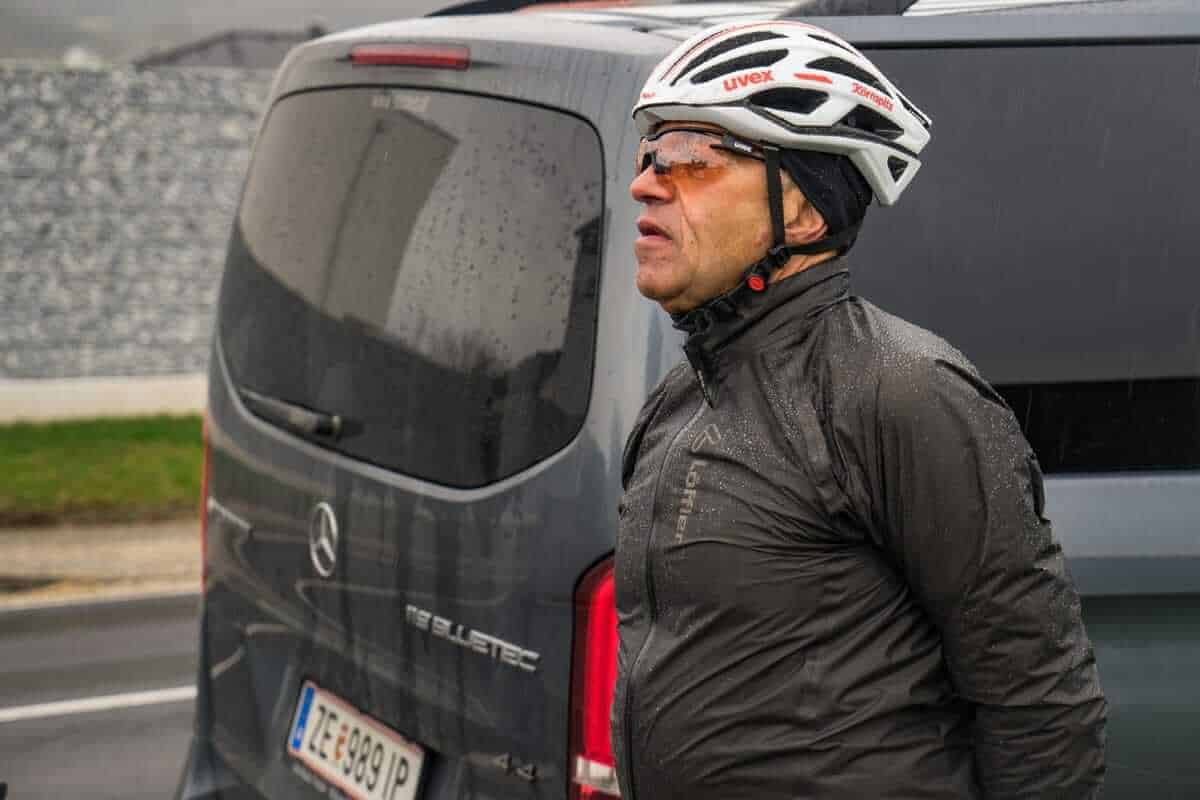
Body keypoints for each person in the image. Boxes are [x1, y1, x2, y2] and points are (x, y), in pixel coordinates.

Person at [612, 20, 1107, 800]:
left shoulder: (901, 392)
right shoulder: (681, 399)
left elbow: (1038, 697)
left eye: (690, 158)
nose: (646, 182)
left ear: (804, 210)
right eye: (649, 155)